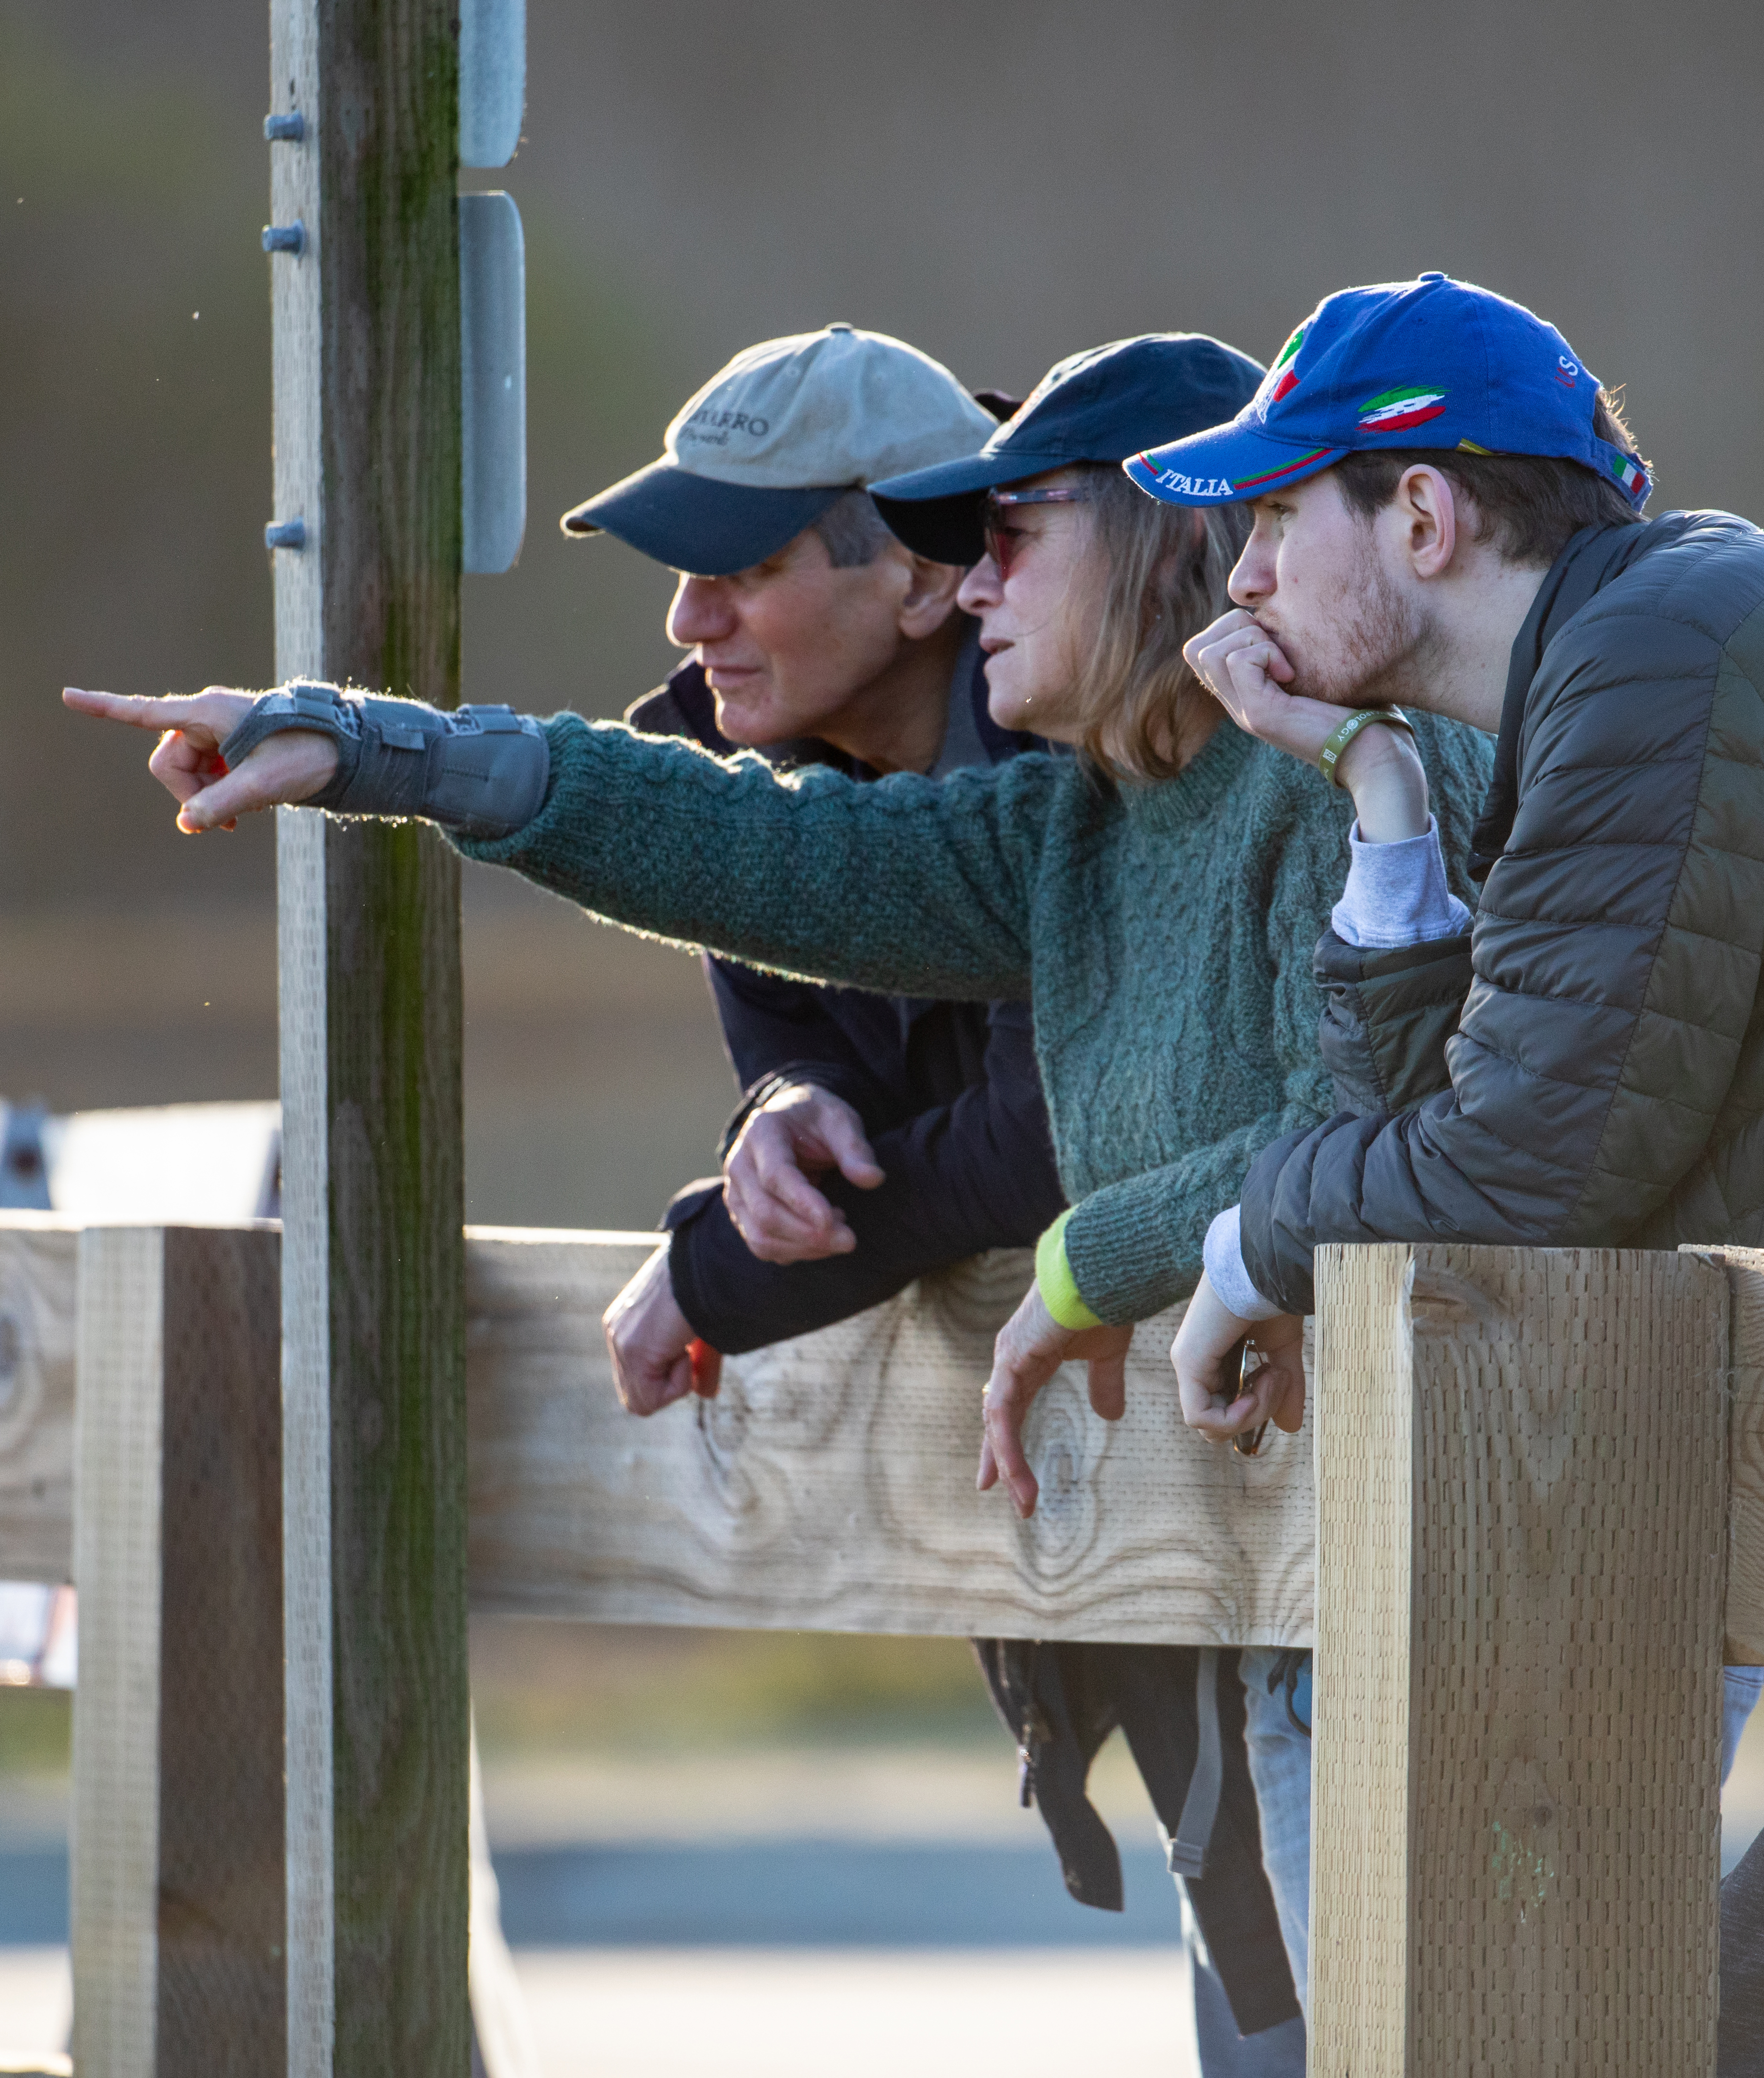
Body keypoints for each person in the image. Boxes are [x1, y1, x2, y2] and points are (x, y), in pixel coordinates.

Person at [64, 327, 1493, 2066]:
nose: (974, 587)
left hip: (1464, 1553)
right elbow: (766, 860)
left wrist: (1050, 1269)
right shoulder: (1064, 829)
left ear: (1156, 544)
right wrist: (365, 748)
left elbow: (1346, 1130)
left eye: (1007, 537)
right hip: (1281, 1564)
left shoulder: (1351, 774)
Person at [1129, 270, 1764, 2033]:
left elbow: (1517, 1182)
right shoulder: (1623, 664)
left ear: (1420, 510)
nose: (1237, 579)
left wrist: (1250, 1238)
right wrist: (1383, 809)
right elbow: (1468, 1140)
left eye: (1271, 516)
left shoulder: (1661, 649)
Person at [543, 323, 1066, 1410]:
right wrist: (785, 1103)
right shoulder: (727, 762)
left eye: (747, 565)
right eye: (688, 569)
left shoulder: (1093, 743)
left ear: (924, 579)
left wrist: (712, 1275)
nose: (687, 619)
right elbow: (812, 1072)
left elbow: (1043, 1144)